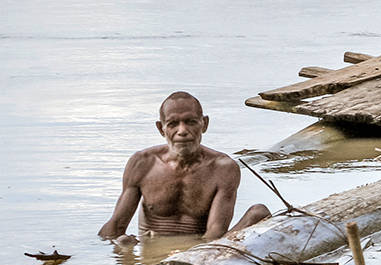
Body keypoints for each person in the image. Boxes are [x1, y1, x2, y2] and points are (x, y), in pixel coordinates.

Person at [98, 91, 270, 242]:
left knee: (258, 213)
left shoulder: (223, 168)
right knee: (124, 241)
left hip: (200, 249)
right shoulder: (143, 163)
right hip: (153, 248)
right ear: (161, 128)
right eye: (173, 124)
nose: (182, 131)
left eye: (191, 122)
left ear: (204, 124)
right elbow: (115, 227)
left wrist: (189, 254)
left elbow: (215, 234)